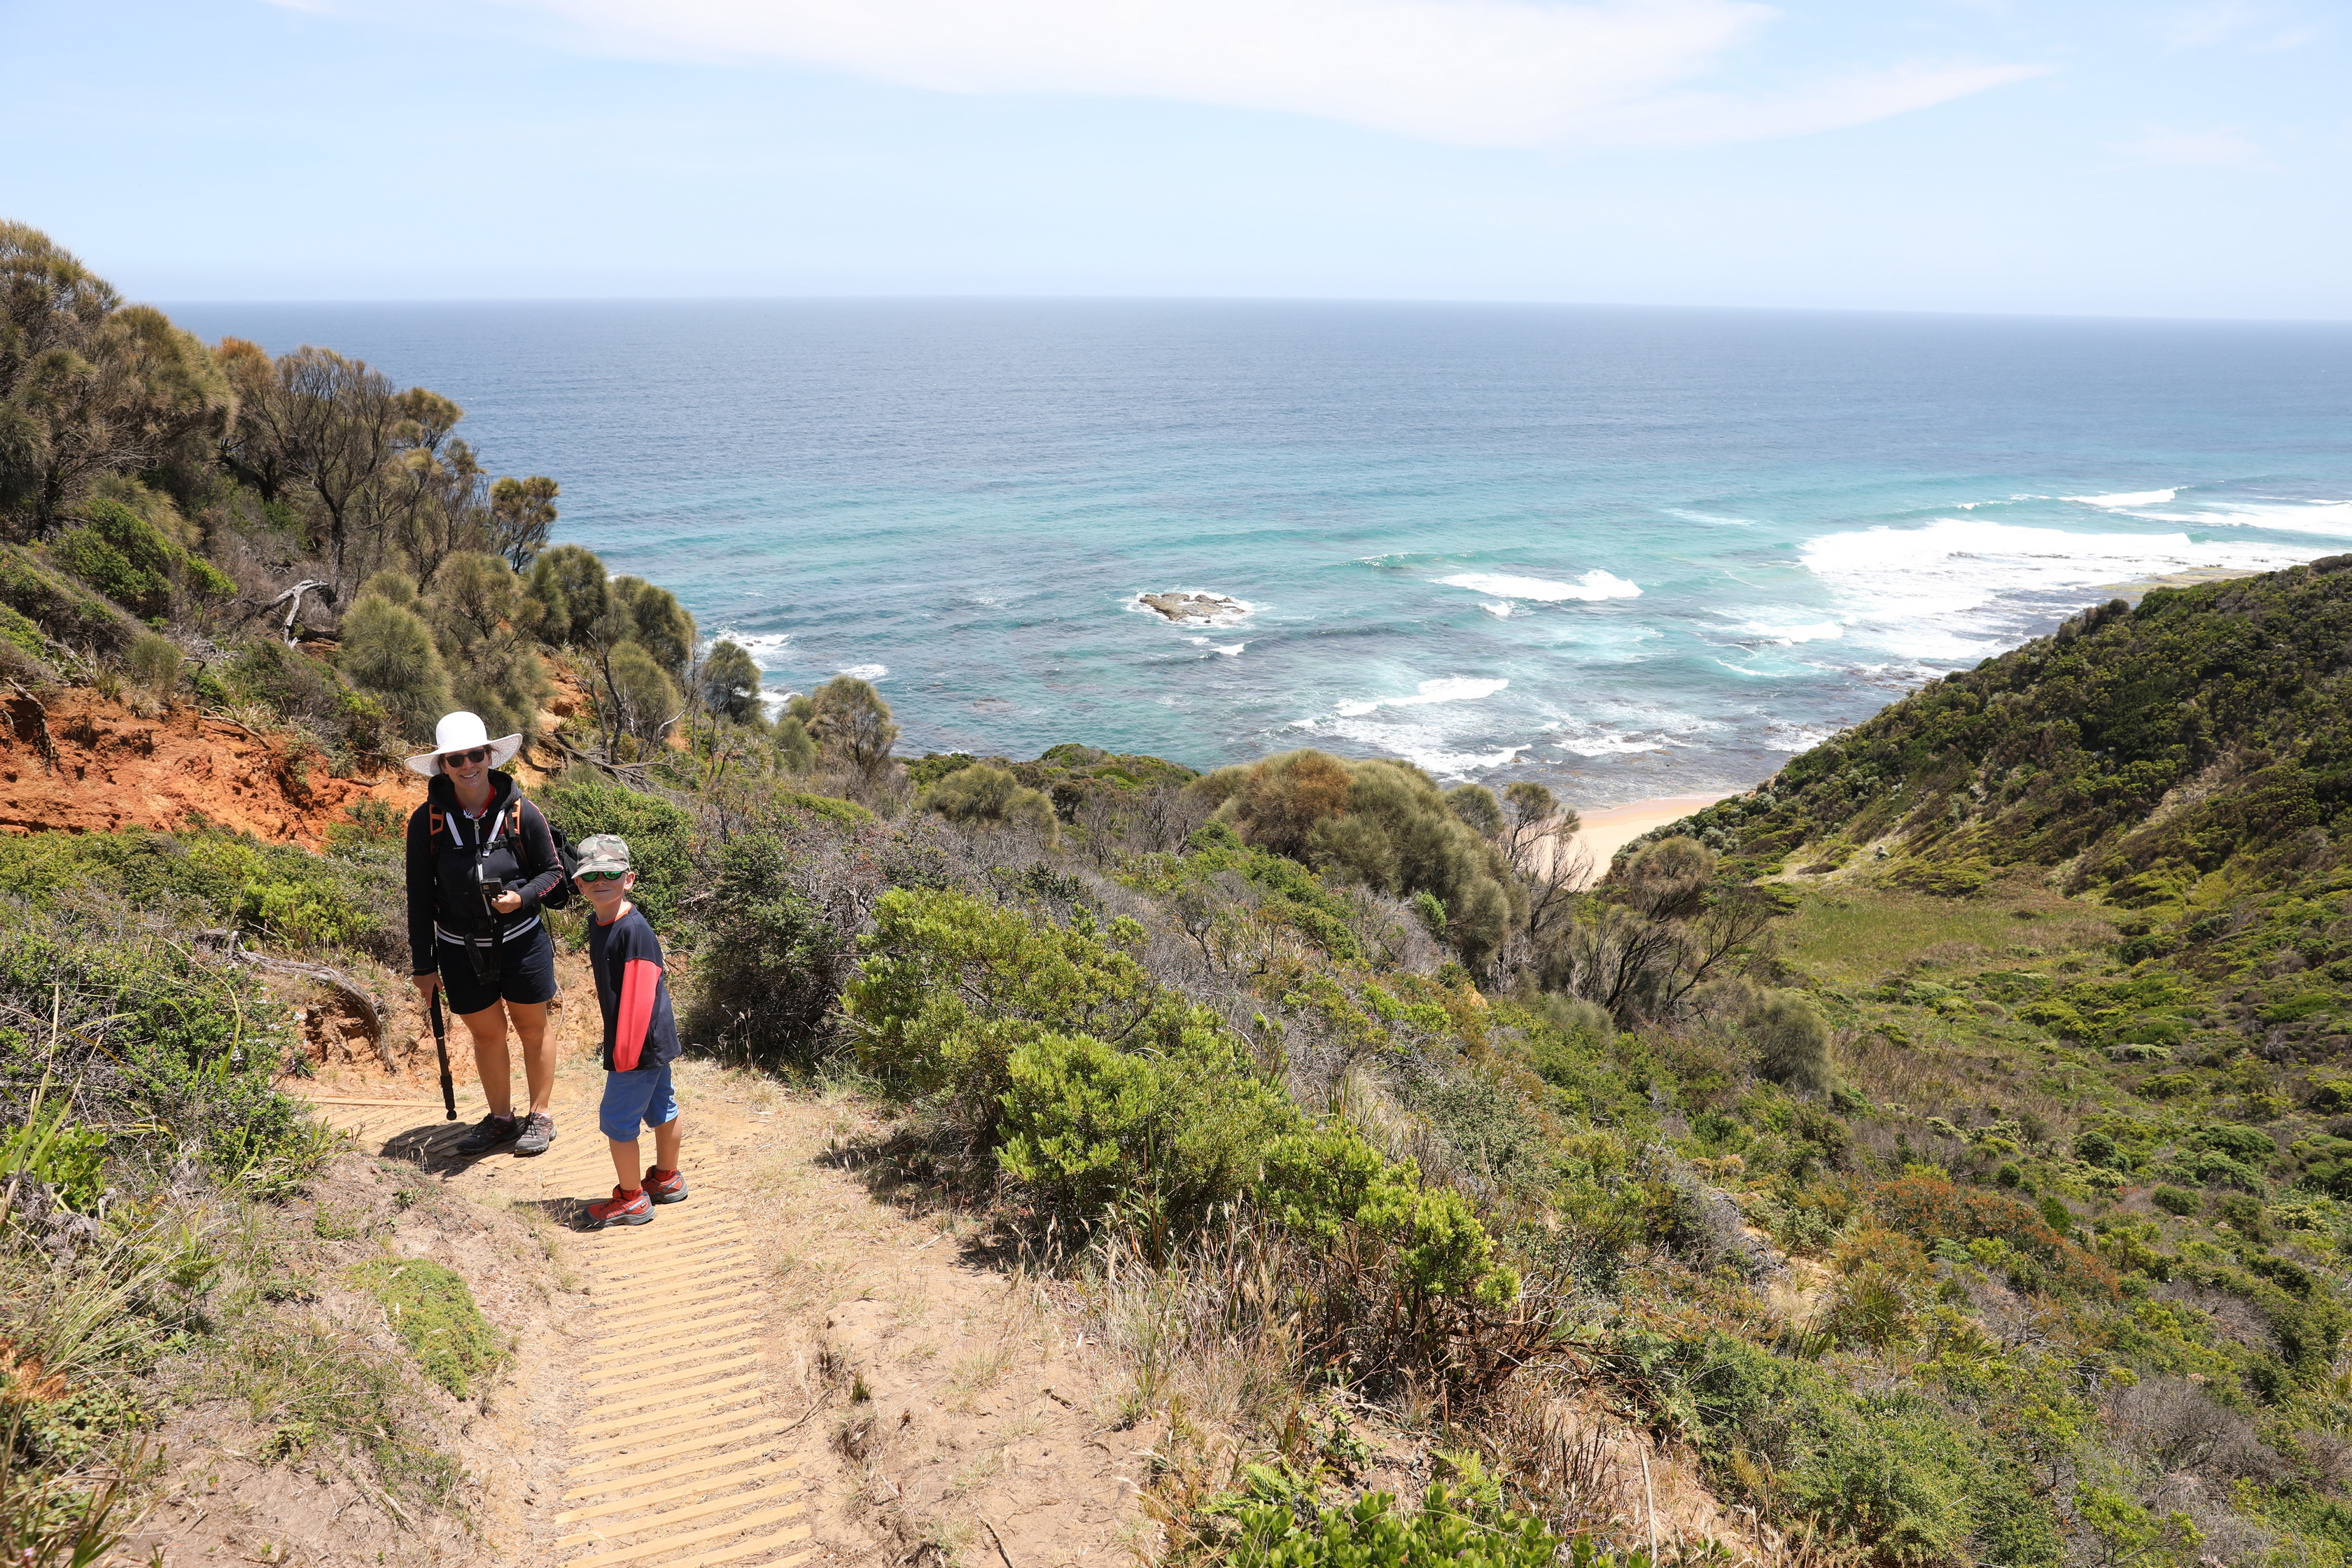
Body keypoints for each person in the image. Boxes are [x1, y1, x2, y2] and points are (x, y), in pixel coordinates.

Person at [403, 711, 568, 1156]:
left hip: (522, 941)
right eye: (455, 759)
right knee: (487, 1035)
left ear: (490, 756)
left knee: (533, 1028)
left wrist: (522, 897)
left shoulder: (520, 811)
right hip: (458, 948)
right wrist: (424, 965)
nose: (467, 765)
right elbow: (418, 897)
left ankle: (540, 1115)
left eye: (475, 755)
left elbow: (553, 872)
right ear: (442, 766)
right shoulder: (427, 822)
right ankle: (501, 1119)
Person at [572, 834, 688, 1228]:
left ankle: (632, 1199)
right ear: (579, 884)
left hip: (637, 1044)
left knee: (618, 1121)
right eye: (591, 876)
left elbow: (639, 996)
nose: (601, 881)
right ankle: (667, 1179)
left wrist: (623, 1054)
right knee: (661, 1107)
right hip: (654, 1041)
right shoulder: (601, 921)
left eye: (611, 873)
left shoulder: (633, 930)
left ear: (629, 879)